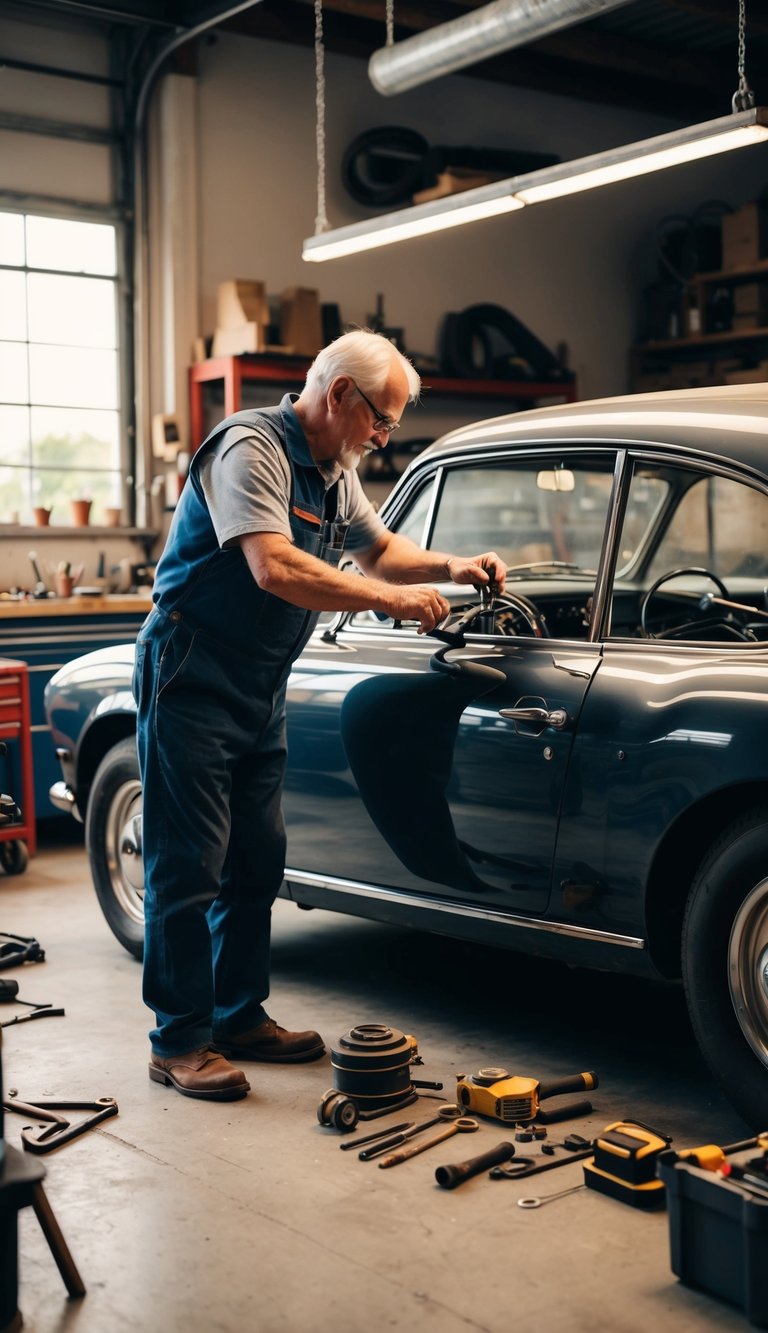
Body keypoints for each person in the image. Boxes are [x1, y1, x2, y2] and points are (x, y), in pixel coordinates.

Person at [134, 329, 506, 1102]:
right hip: (192, 676)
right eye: (382, 419)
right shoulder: (250, 449)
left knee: (257, 858)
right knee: (189, 862)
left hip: (259, 685)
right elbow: (273, 565)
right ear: (340, 395)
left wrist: (452, 568)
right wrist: (390, 600)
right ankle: (178, 1040)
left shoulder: (336, 470)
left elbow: (381, 554)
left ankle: (238, 1016)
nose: (382, 436)